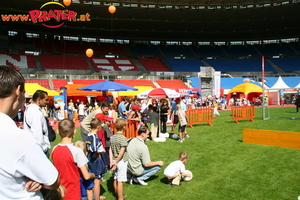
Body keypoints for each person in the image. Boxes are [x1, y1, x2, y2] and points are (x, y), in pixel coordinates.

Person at [0, 65, 60, 199]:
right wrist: (41, 179)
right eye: (23, 93)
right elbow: (53, 180)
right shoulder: (17, 138)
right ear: (17, 91)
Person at [52, 119, 95, 200]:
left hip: (59, 192)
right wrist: (93, 175)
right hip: (73, 193)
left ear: (58, 131)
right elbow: (86, 176)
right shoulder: (76, 151)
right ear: (74, 131)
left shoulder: (54, 149)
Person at [23, 90, 51, 157]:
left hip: (31, 146)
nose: (47, 102)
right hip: (39, 149)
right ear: (39, 100)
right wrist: (41, 150)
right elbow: (37, 134)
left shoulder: (29, 109)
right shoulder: (36, 113)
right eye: (46, 100)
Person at [86, 118, 107, 200]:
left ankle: (95, 196)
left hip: (90, 159)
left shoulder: (89, 135)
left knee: (94, 179)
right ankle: (96, 198)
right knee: (97, 180)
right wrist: (97, 153)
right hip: (95, 160)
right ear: (98, 127)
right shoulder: (94, 136)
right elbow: (93, 148)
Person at [109, 118, 129, 200]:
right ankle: (120, 197)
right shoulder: (123, 138)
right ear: (124, 127)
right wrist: (117, 162)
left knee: (115, 178)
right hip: (121, 161)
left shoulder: (112, 137)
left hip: (114, 159)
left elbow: (110, 150)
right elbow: (121, 152)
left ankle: (117, 194)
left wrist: (111, 161)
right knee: (120, 180)